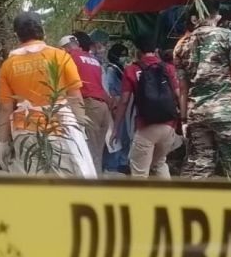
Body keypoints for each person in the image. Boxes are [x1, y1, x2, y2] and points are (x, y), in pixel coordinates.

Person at [0, 12, 95, 177]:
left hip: (26, 134)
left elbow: (6, 109)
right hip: (60, 129)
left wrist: (3, 143)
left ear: (17, 35)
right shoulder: (60, 56)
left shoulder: (8, 65)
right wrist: (80, 127)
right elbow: (75, 97)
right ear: (42, 30)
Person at [175, 0, 231, 179]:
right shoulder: (227, 36)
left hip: (196, 114)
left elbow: (183, 88)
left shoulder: (181, 45)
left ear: (194, 19)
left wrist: (184, 118)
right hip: (224, 111)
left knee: (200, 166)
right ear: (216, 15)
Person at [113, 36, 180, 178]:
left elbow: (124, 101)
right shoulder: (168, 68)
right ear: (156, 51)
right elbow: (178, 94)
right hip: (169, 126)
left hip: (146, 127)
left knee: (139, 172)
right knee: (160, 164)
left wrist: (116, 128)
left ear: (138, 52)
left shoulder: (131, 70)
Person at [61, 32, 112, 174]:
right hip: (102, 108)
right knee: (97, 153)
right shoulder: (93, 59)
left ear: (65, 48)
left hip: (89, 106)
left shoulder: (70, 58)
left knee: (87, 151)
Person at [102, 43, 132, 173]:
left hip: (124, 107)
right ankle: (112, 165)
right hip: (116, 107)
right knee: (115, 136)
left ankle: (122, 162)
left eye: (125, 55)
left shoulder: (121, 70)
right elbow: (109, 90)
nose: (124, 58)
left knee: (124, 135)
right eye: (122, 55)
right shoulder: (111, 70)